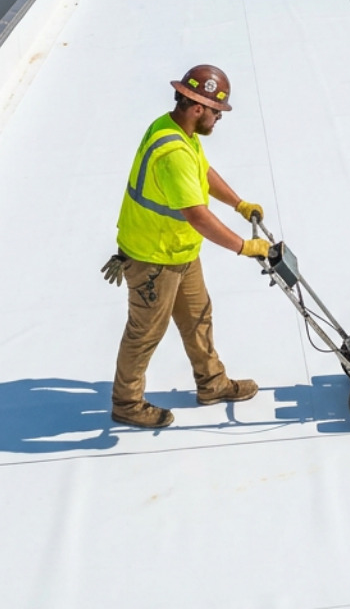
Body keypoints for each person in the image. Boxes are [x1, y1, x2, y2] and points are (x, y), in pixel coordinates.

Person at [102, 65, 268, 428]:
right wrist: (245, 247)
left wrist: (239, 204)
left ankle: (212, 383)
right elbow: (197, 215)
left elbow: (203, 172)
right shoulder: (173, 150)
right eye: (216, 110)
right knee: (144, 332)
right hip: (152, 260)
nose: (219, 117)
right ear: (197, 107)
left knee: (197, 318)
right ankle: (126, 403)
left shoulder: (181, 131)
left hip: (179, 252)